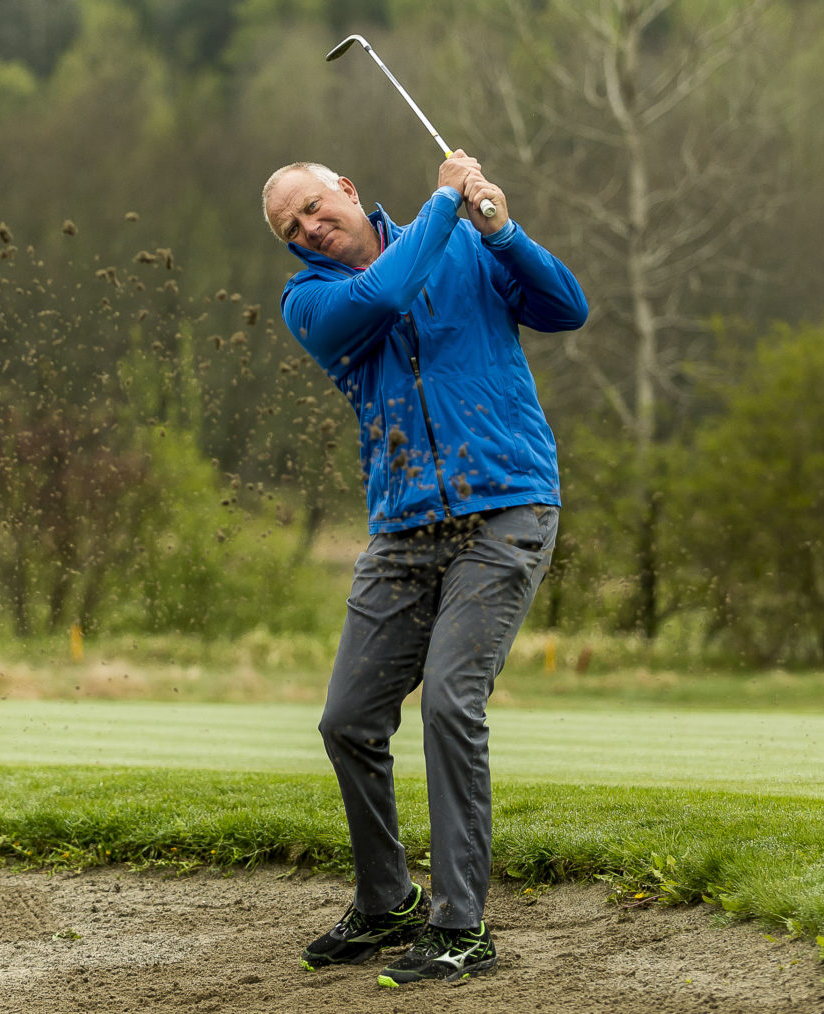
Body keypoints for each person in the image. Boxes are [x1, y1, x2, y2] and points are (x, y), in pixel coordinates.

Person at [260, 152, 587, 987]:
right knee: (348, 719)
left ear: (344, 189)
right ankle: (385, 901)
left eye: (310, 206)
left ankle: (459, 926)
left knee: (450, 699)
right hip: (405, 530)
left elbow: (566, 306)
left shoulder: (466, 244)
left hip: (507, 507)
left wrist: (502, 231)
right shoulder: (312, 301)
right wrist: (446, 202)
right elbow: (385, 295)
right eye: (288, 228)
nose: (305, 228)